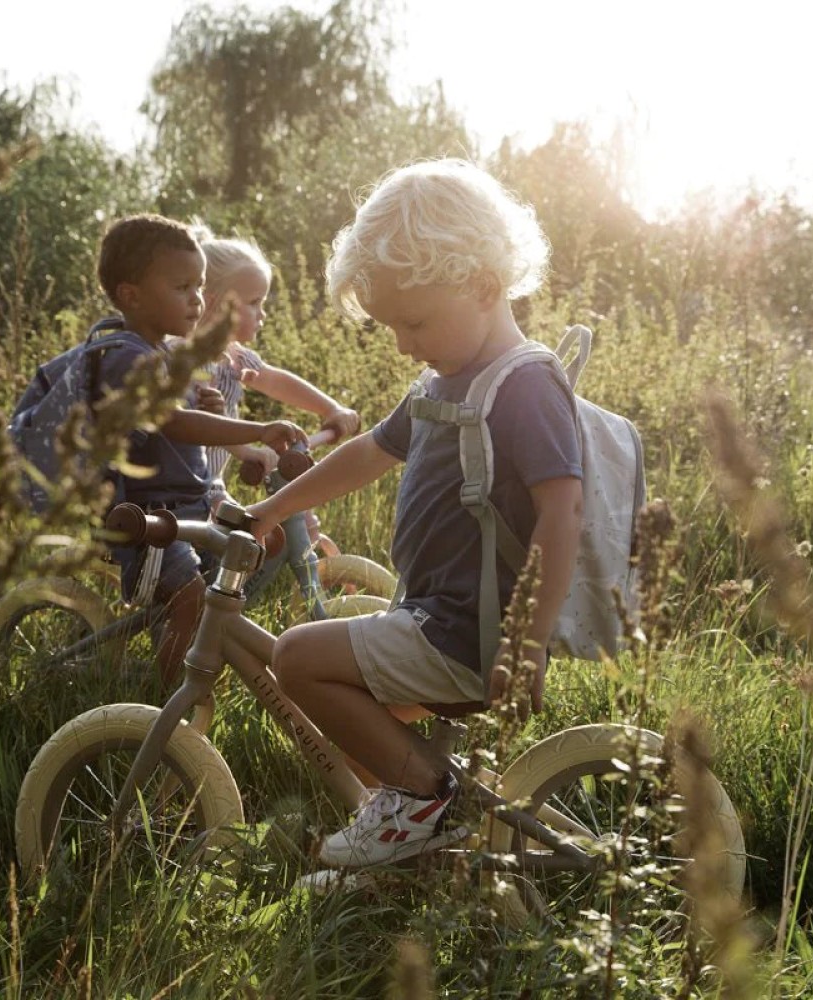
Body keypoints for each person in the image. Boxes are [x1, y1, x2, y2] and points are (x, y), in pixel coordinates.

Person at [246, 159, 584, 869]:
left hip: (472, 633)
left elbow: (563, 516)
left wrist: (529, 645)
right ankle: (407, 853)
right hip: (435, 615)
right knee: (359, 731)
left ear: (484, 286)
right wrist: (273, 508)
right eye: (391, 325)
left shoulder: (524, 386)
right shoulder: (443, 381)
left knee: (297, 657)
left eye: (415, 321)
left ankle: (426, 800)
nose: (402, 342)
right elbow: (371, 450)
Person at [93, 213, 307, 686]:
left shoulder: (173, 359)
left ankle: (184, 647)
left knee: (234, 562)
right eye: (183, 290)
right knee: (192, 598)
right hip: (141, 508)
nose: (196, 301)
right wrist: (254, 431)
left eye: (198, 289)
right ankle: (170, 694)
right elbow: (174, 424)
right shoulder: (132, 356)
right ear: (132, 296)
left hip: (179, 500)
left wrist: (210, 408)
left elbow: (183, 423)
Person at [192, 224, 360, 505]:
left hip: (213, 485)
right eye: (254, 302)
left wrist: (331, 408)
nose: (263, 313)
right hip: (187, 487)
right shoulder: (192, 363)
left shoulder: (235, 357)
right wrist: (247, 452)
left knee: (258, 536)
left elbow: (274, 380)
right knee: (240, 539)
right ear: (215, 305)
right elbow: (205, 425)